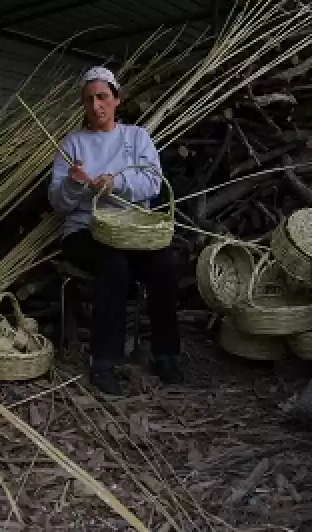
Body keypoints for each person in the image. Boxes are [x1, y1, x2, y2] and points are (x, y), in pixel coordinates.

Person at [48, 66, 183, 396]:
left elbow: (153, 184)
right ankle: (104, 360)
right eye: (89, 99)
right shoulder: (73, 144)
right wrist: (73, 184)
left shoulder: (137, 137)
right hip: (85, 231)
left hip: (134, 231)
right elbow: (59, 204)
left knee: (166, 263)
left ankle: (165, 353)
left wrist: (116, 182)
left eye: (103, 97)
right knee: (113, 265)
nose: (96, 106)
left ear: (117, 100)